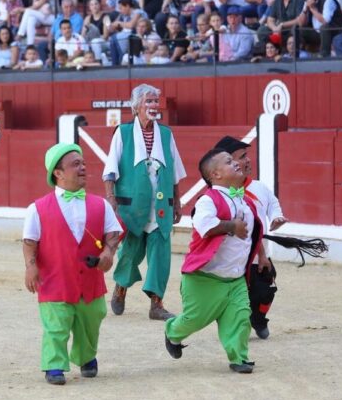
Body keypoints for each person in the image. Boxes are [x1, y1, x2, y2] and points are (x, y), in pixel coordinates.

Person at [22, 143, 122, 385]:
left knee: (91, 320)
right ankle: (54, 365)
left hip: (90, 278)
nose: (83, 168)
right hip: (55, 279)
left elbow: (113, 234)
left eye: (83, 163)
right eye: (75, 164)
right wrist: (31, 266)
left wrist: (108, 253)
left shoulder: (101, 204)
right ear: (58, 173)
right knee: (56, 326)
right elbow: (29, 240)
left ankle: (86, 356)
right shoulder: (37, 208)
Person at [164, 148, 268, 374]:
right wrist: (231, 225)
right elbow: (205, 227)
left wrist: (263, 256)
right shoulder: (208, 200)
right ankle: (172, 332)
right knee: (194, 320)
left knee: (241, 317)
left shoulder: (246, 203)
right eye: (229, 161)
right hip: (204, 279)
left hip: (235, 279)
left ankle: (239, 357)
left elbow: (252, 235)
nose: (237, 163)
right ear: (216, 175)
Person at [104, 84, 187, 319]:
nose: (154, 106)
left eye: (155, 101)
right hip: (132, 206)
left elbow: (173, 172)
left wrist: (177, 202)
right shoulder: (122, 132)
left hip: (161, 206)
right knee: (131, 251)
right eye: (148, 101)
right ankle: (120, 288)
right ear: (136, 106)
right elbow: (110, 170)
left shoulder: (166, 134)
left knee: (161, 253)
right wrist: (111, 199)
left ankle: (156, 304)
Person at [214, 136, 286, 339]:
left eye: (247, 156)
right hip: (236, 256)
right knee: (238, 295)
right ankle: (237, 324)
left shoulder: (259, 187)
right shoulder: (220, 194)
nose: (247, 161)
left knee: (267, 287)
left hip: (259, 254)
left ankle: (259, 319)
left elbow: (272, 203)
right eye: (241, 157)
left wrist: (276, 216)